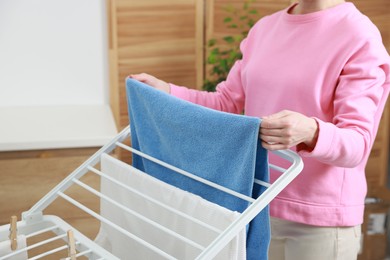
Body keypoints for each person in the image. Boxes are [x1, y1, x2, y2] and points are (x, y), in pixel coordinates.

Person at [130, 0, 390, 259]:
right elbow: (227, 101)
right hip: (256, 203)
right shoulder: (265, 29)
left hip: (320, 220)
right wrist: (168, 91)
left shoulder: (358, 35)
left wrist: (311, 131)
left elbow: (358, 143)